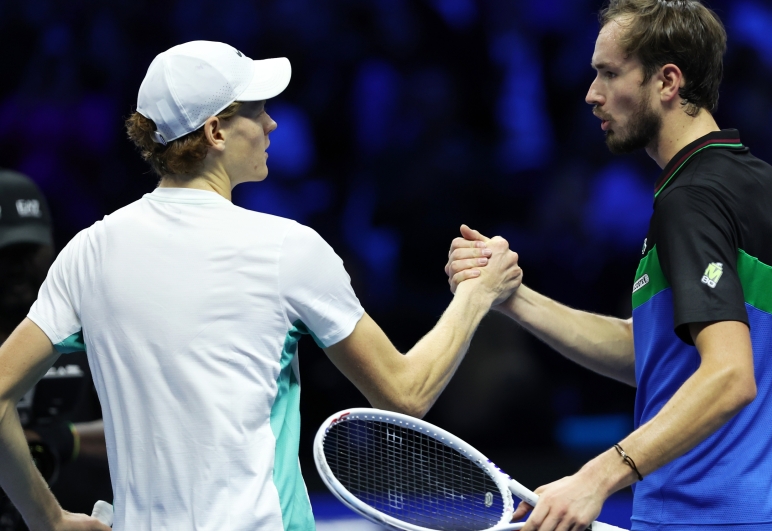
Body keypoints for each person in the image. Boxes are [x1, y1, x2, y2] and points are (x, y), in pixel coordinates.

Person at [0, 41, 521, 531]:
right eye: (255, 110)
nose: (271, 122)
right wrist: (478, 294)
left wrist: (46, 519)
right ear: (216, 132)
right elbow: (407, 393)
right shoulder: (286, 249)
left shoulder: (89, 253)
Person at [446, 1, 772, 530]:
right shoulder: (755, 179)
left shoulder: (691, 200)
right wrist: (512, 297)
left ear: (667, 82)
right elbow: (661, 354)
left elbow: (731, 375)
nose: (592, 93)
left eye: (609, 73)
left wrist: (595, 477)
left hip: (705, 519)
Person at [0, 170, 109, 531]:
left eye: (27, 250)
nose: (16, 266)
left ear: (51, 244)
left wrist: (67, 440)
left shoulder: (92, 326)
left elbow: (147, 428)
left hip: (82, 517)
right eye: (4, 252)